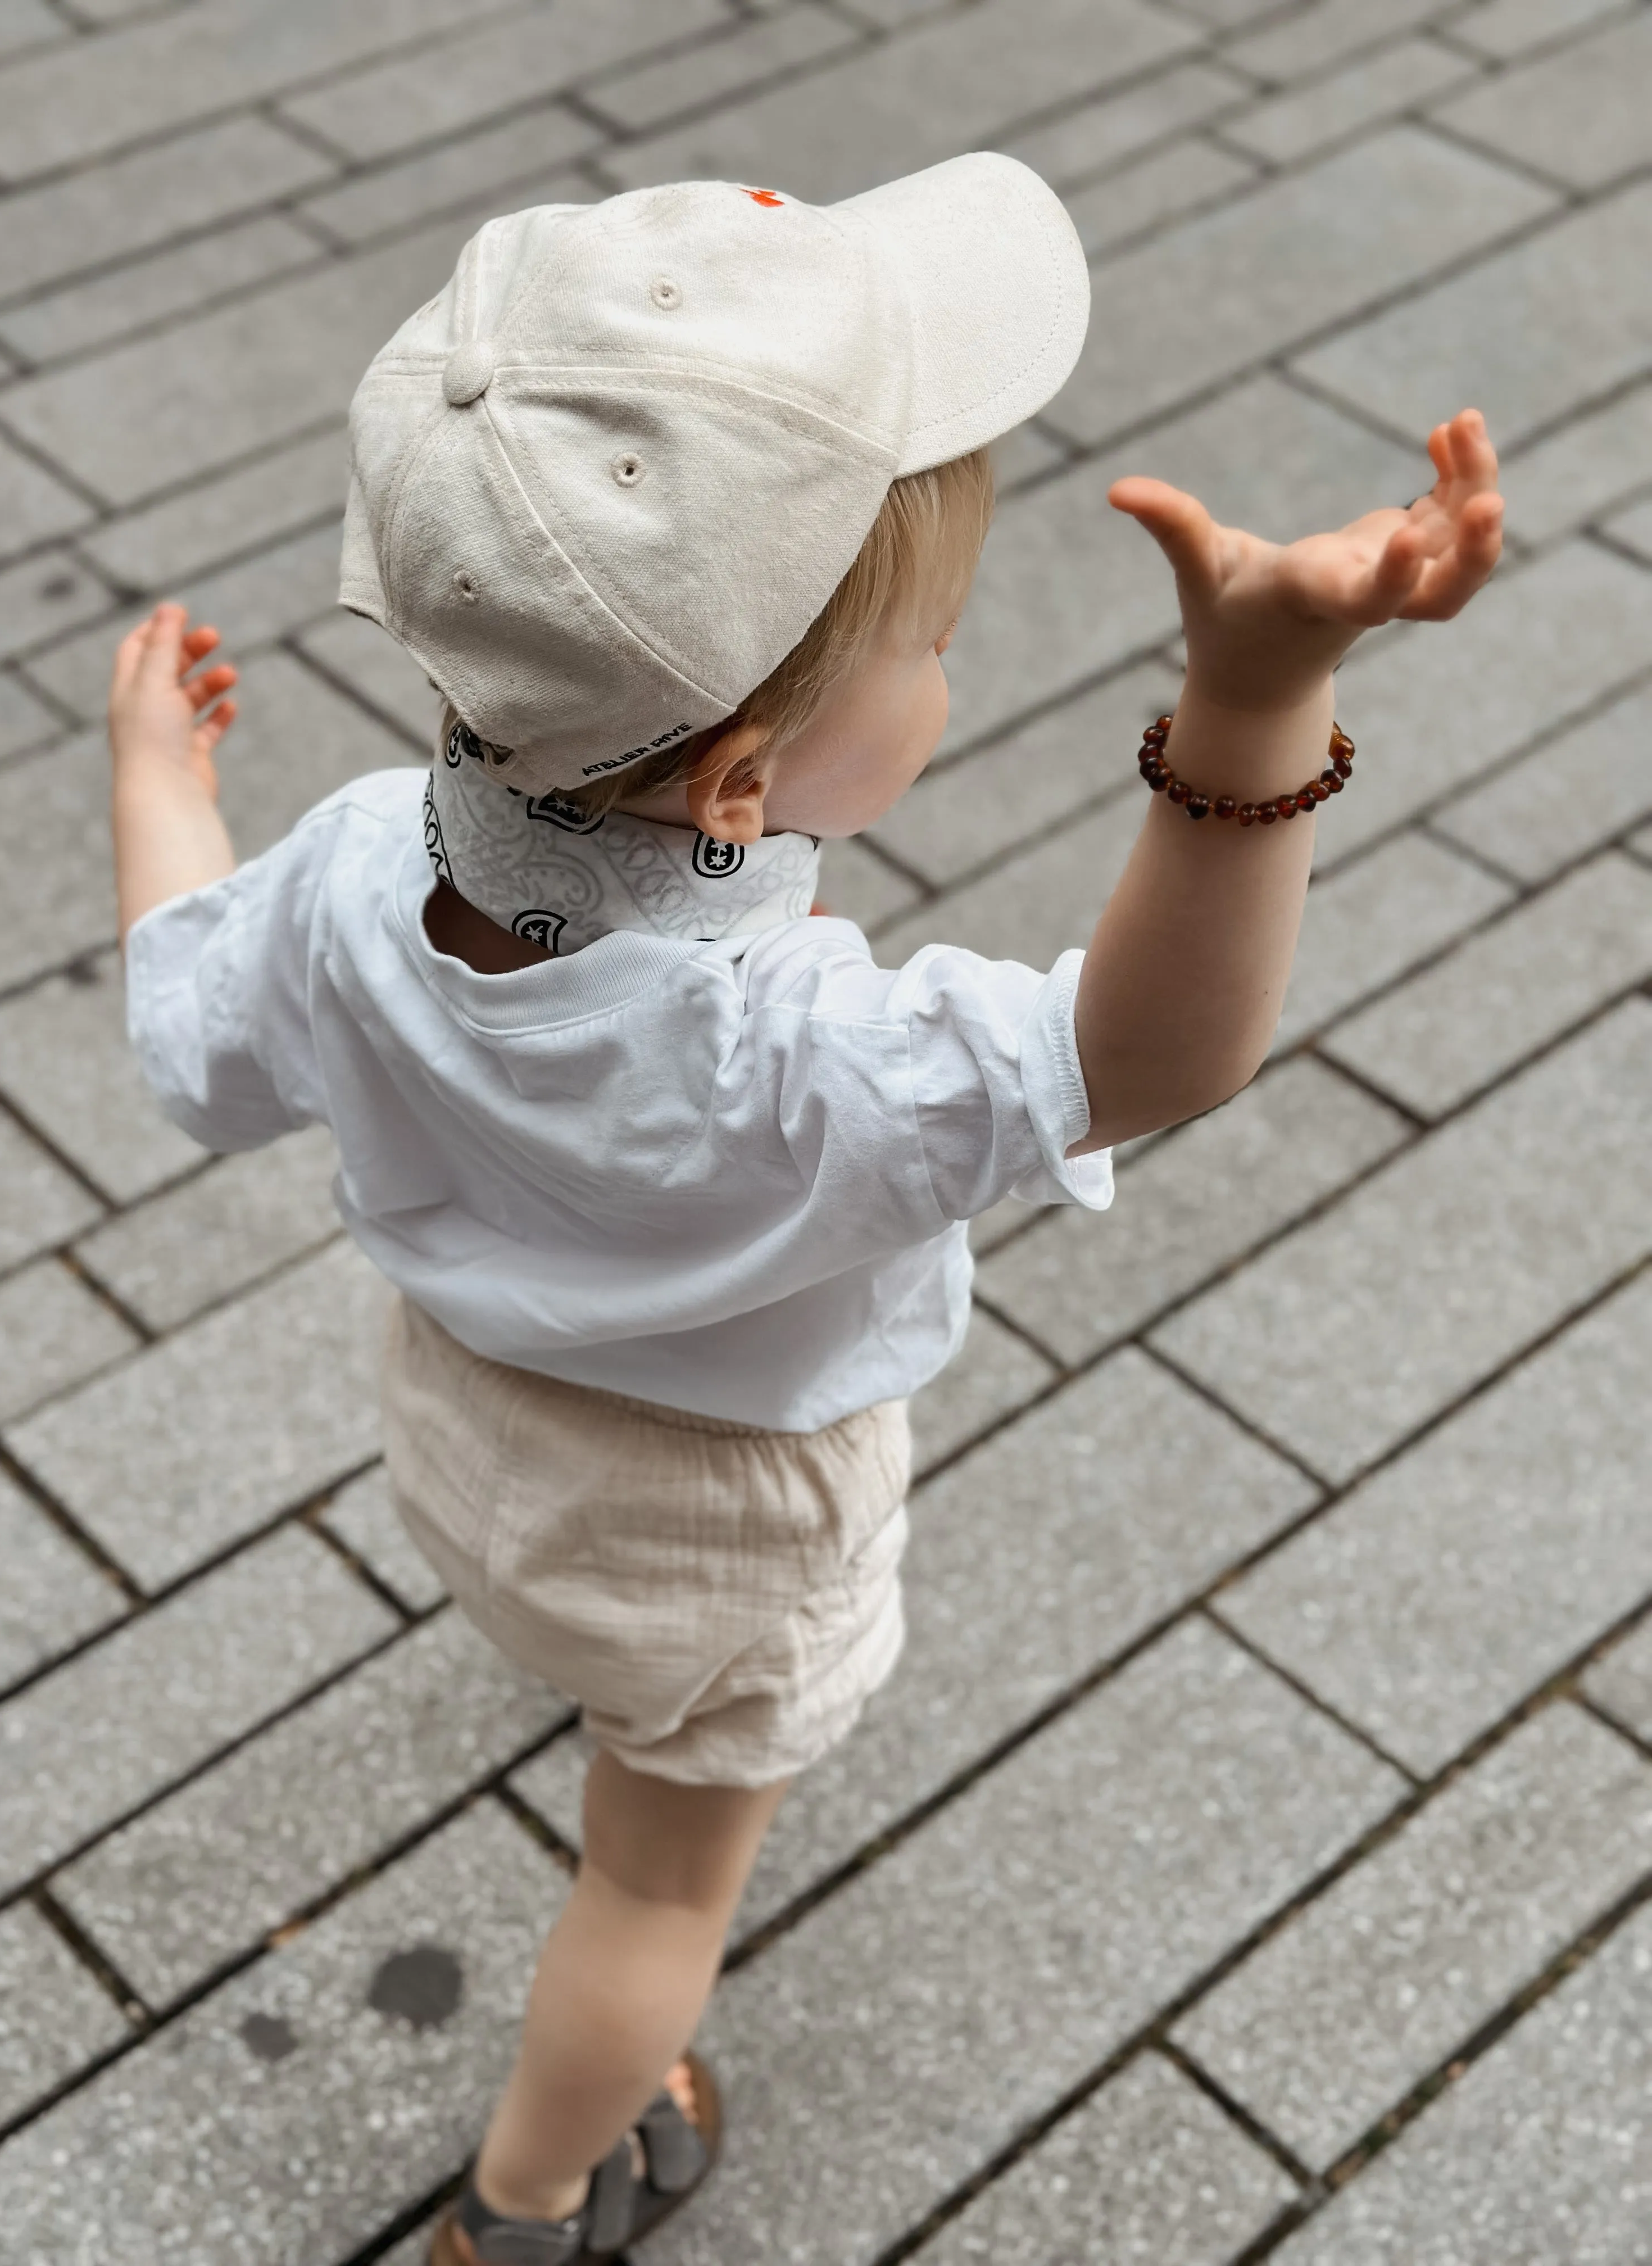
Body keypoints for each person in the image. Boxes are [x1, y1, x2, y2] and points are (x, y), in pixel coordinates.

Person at [107, 156, 1504, 2266]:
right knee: (656, 1890)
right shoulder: (797, 1058)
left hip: (465, 1441)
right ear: (745, 782)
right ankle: (525, 2194)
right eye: (937, 645)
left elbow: (182, 1022)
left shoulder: (330, 876)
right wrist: (1250, 699)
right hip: (725, 1530)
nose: (954, 677)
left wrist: (154, 784)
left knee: (588, 1674)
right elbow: (1156, 1051)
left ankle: (569, 1740)